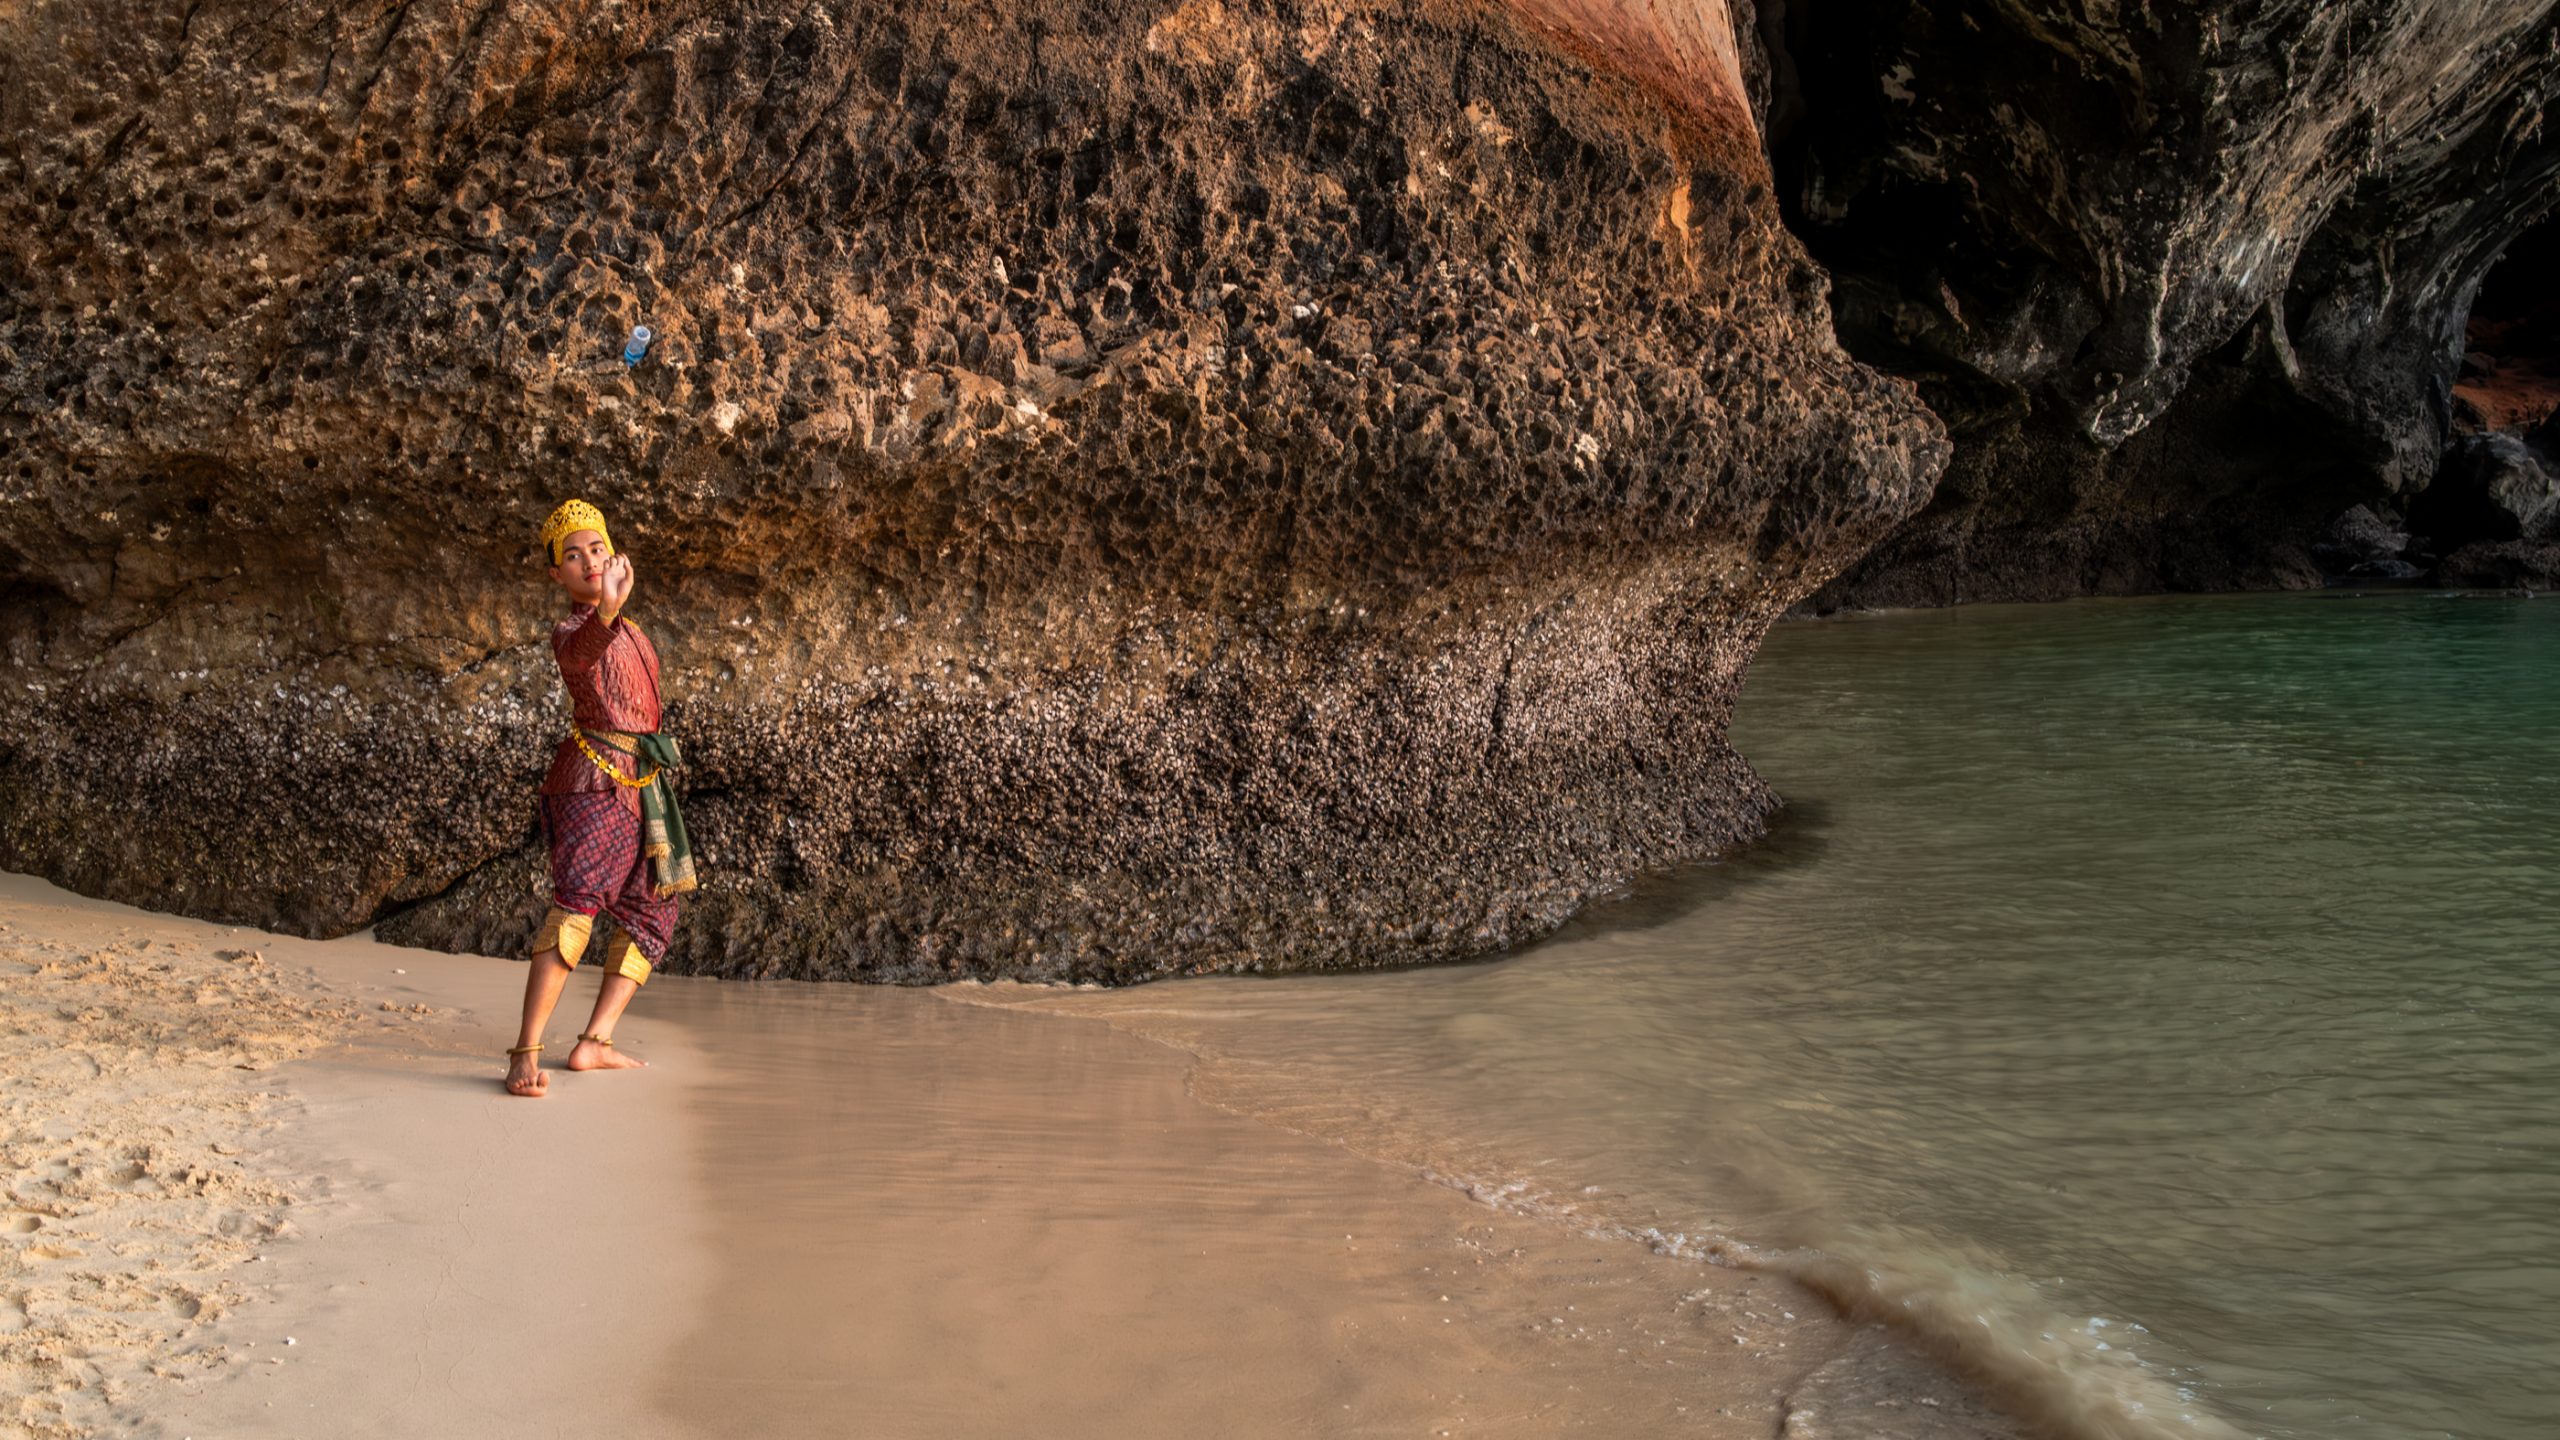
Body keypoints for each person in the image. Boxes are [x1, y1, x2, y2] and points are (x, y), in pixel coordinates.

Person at [504, 499, 697, 1097]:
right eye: (572, 556)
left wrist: (616, 612)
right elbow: (584, 651)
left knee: (655, 911)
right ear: (555, 576)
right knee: (578, 909)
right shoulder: (573, 631)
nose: (588, 561)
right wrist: (607, 608)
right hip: (590, 782)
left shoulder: (634, 631)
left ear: (612, 555)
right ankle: (525, 1053)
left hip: (641, 785)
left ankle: (594, 1042)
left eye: (596, 549)